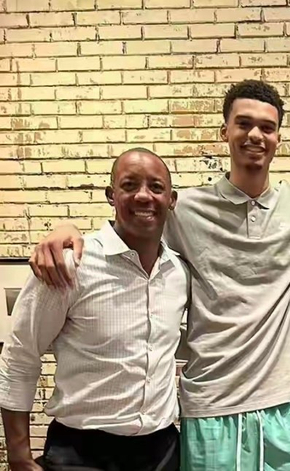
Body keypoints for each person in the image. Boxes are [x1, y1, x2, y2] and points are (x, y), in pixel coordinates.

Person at [27, 80, 290, 470]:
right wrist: (68, 231)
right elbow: (131, 227)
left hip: (281, 404)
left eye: (267, 127)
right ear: (225, 131)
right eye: (244, 124)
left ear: (278, 138)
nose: (255, 135)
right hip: (209, 405)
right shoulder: (185, 210)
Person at [0, 149, 188, 471]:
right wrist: (18, 456)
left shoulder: (179, 273)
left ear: (171, 200)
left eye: (156, 187)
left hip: (162, 451)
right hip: (81, 453)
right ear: (111, 195)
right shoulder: (69, 264)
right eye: (129, 185)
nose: (144, 196)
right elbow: (20, 355)